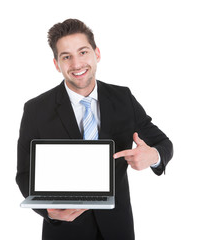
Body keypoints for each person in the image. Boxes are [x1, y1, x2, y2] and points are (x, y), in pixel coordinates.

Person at [16, 19, 173, 240]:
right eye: (66, 57)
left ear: (96, 53)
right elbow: (24, 174)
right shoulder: (36, 110)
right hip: (64, 231)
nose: (77, 64)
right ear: (56, 64)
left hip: (117, 228)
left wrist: (153, 156)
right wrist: (47, 211)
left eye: (83, 52)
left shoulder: (123, 98)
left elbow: (163, 144)